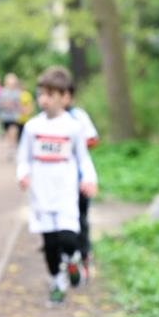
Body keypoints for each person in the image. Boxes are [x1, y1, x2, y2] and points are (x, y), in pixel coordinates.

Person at [16, 66, 97, 306]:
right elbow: (24, 158)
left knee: (68, 237)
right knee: (49, 243)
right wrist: (23, 174)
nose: (44, 99)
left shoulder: (73, 127)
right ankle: (56, 282)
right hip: (41, 194)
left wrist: (89, 179)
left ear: (64, 97)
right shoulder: (32, 127)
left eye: (51, 94)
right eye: (41, 94)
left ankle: (73, 258)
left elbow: (83, 158)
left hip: (65, 193)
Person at [65, 83, 100, 282]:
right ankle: (68, 260)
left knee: (81, 220)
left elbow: (94, 139)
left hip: (79, 179)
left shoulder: (79, 116)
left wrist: (74, 143)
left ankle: (85, 257)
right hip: (57, 183)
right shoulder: (43, 121)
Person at [0, 72, 23, 146]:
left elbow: (21, 104)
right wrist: (5, 104)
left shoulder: (18, 92)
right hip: (5, 116)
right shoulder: (2, 92)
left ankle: (13, 147)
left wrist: (15, 105)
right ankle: (10, 147)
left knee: (13, 131)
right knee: (7, 134)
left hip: (15, 117)